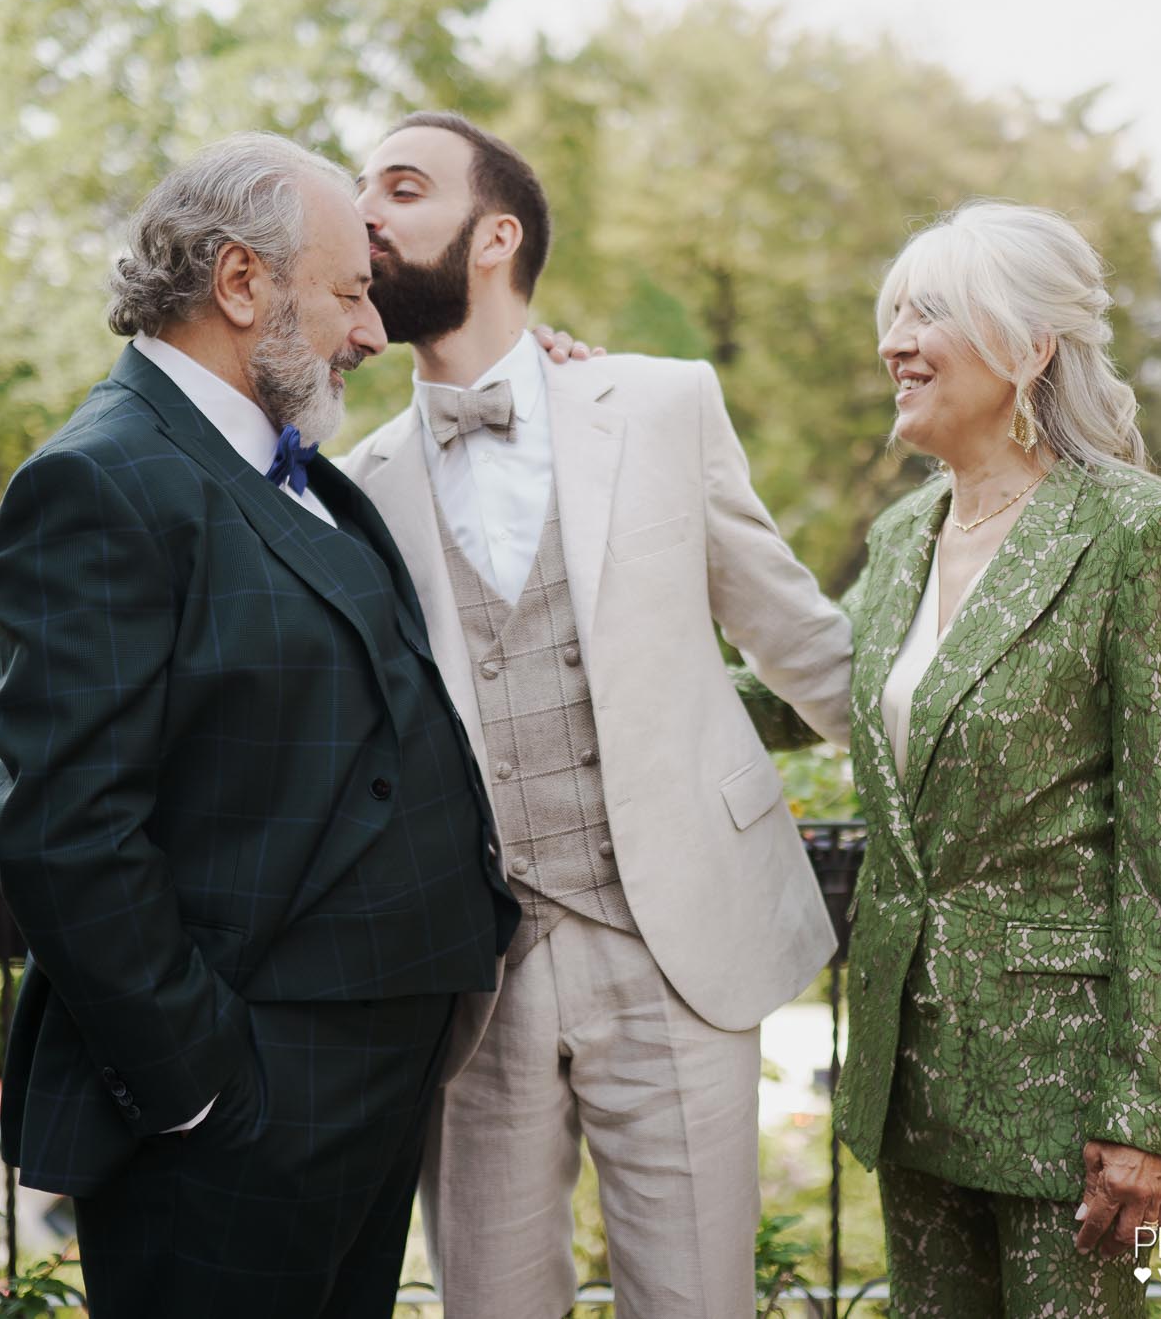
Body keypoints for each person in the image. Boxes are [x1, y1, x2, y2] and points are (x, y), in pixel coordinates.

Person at [0, 132, 517, 1318]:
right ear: (239, 284)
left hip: (366, 1092)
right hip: (243, 1114)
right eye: (348, 293)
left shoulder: (306, 479)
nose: (372, 332)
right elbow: (66, 830)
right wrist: (205, 1088)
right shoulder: (100, 482)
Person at [338, 111, 853, 1318]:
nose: (365, 211)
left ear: (493, 235)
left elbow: (795, 633)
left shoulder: (662, 405)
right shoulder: (352, 484)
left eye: (401, 187)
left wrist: (943, 767)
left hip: (677, 946)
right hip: (472, 980)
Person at [746, 201, 1161, 1317]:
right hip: (910, 1064)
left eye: (927, 313)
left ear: (1027, 346)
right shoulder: (903, 534)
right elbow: (802, 695)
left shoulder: (1135, 536)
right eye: (892, 313)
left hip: (1070, 1096)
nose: (893, 342)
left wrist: (1145, 1113)